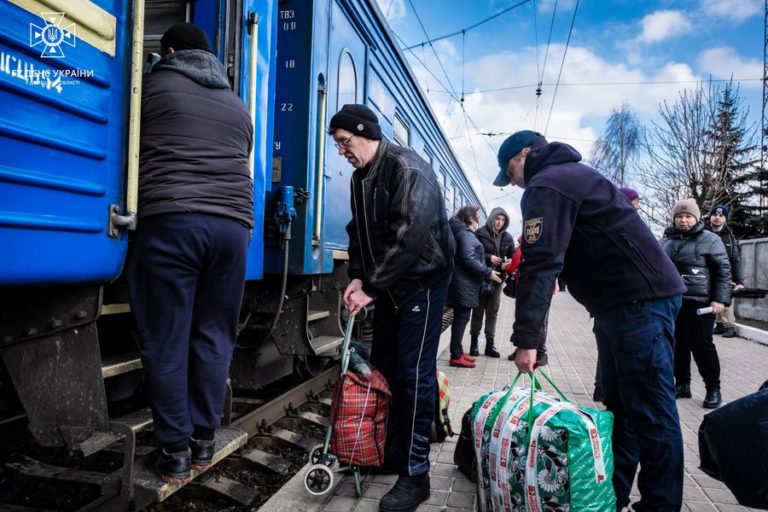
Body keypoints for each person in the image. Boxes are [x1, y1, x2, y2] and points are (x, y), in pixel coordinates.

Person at [494, 130, 687, 512]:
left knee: (649, 409)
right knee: (622, 409)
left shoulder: (546, 183)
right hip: (626, 302)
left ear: (527, 154)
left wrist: (527, 339)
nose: (513, 181)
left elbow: (541, 263)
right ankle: (610, 495)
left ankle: (661, 506)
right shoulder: (571, 175)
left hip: (636, 302)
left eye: (510, 170)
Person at [128, 23, 253, 483]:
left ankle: (175, 451)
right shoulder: (239, 106)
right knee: (214, 334)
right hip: (233, 229)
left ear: (170, 52)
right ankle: (204, 439)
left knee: (167, 338)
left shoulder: (154, 84)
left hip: (174, 220)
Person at [330, 104, 454, 512]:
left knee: (413, 376)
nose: (342, 151)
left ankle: (416, 475)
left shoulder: (406, 168)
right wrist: (357, 276)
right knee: (385, 369)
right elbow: (358, 232)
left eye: (345, 142)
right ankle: (392, 453)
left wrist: (373, 286)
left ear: (366, 133)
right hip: (390, 288)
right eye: (337, 145)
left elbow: (409, 235)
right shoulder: (359, 177)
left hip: (421, 284)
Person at [661, 199, 732, 409]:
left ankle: (713, 388)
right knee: (677, 344)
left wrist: (720, 300)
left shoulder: (710, 240)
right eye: (679, 217)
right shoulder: (666, 241)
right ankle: (682, 384)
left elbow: (723, 271)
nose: (683, 220)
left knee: (702, 345)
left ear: (696, 217)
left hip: (700, 303)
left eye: (688, 216)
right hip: (672, 302)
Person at [593, 185, 641, 403]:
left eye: (637, 204)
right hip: (610, 300)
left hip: (633, 300)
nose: (636, 208)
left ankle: (613, 392)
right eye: (632, 203)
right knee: (608, 348)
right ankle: (602, 388)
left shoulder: (639, 228)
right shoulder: (607, 228)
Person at [447, 206, 501, 368]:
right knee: (461, 318)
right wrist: (488, 272)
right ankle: (456, 355)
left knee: (460, 318)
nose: (478, 220)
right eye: (476, 216)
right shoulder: (465, 234)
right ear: (470, 218)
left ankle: (457, 351)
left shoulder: (460, 232)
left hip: (461, 282)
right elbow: (468, 258)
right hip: (464, 283)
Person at [469, 207, 515, 358]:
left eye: (502, 220)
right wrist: (489, 258)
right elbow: (473, 253)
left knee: (493, 311)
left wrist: (507, 264)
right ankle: (474, 343)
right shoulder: (480, 234)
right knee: (478, 311)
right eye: (497, 219)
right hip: (481, 278)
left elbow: (512, 256)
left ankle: (490, 344)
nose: (499, 223)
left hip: (497, 279)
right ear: (491, 219)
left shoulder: (507, 237)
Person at [705, 204, 744, 338]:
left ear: (725, 218)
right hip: (706, 273)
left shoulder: (730, 237)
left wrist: (739, 281)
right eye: (715, 215)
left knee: (725, 299)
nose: (717, 218)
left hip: (725, 274)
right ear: (710, 216)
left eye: (721, 216)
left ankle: (730, 326)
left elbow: (735, 260)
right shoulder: (702, 232)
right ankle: (720, 324)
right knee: (710, 299)